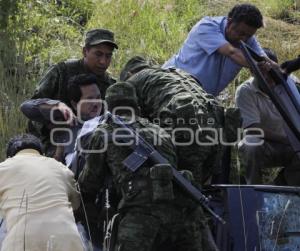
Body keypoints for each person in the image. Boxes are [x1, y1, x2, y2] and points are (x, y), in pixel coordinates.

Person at [78, 82, 213, 251]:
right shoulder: (160, 131)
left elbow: (89, 183)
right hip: (182, 214)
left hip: (141, 217)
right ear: (138, 107)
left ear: (109, 108)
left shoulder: (104, 132)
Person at [120, 56, 225, 186]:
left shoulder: (133, 81)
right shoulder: (178, 73)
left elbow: (130, 121)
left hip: (184, 125)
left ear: (129, 73)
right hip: (215, 123)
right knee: (202, 186)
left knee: (186, 188)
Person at [28, 28, 118, 156]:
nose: (103, 61)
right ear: (85, 51)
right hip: (49, 141)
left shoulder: (111, 85)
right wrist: (53, 117)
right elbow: (34, 104)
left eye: (108, 56)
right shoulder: (61, 72)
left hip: (90, 146)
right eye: (98, 54)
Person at [0, 134, 84, 251]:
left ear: (9, 156)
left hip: (21, 243)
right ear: (41, 153)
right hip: (67, 242)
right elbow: (76, 204)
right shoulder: (60, 168)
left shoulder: (3, 168)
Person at [162, 3, 268, 96]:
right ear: (229, 22)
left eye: (248, 36)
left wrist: (273, 67)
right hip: (172, 83)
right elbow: (231, 52)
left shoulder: (247, 38)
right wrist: (258, 66)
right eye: (241, 33)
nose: (243, 39)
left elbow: (264, 59)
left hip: (201, 97)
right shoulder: (207, 26)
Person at [235, 48, 300, 185]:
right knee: (248, 145)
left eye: (270, 72)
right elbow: (252, 128)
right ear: (252, 72)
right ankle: (252, 193)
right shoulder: (245, 91)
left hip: (292, 145)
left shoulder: (290, 83)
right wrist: (286, 139)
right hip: (267, 144)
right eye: (261, 72)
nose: (267, 77)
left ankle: (283, 191)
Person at [21, 73, 102, 163]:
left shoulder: (110, 123)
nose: (96, 103)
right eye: (89, 99)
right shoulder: (66, 124)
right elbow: (26, 107)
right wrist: (58, 105)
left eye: (98, 97)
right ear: (75, 104)